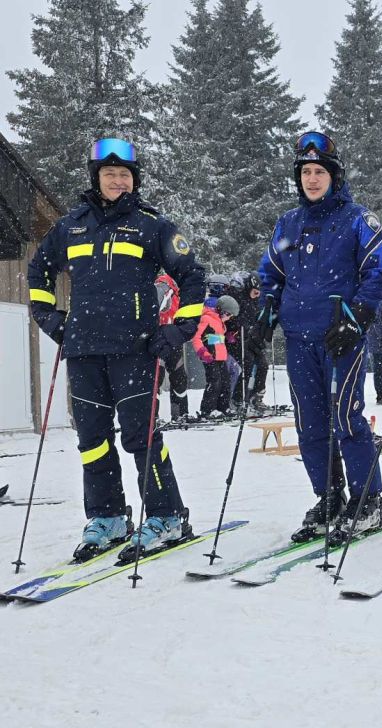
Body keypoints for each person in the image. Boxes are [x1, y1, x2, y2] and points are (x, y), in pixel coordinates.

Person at [27, 137, 205, 560]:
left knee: (141, 437)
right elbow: (39, 272)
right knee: (92, 439)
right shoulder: (70, 225)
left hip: (135, 350)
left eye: (125, 175)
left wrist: (179, 328)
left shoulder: (152, 225)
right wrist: (51, 320)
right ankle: (108, 517)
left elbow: (192, 276)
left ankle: (167, 515)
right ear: (96, 178)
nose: (118, 181)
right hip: (84, 352)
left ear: (134, 180)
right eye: (110, 175)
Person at [256, 131, 382, 545]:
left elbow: (377, 273)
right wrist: (267, 306)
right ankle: (329, 496)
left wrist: (357, 317)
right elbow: (272, 272)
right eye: (306, 172)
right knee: (310, 424)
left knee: (347, 419)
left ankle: (367, 500)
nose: (312, 180)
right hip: (299, 338)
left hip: (341, 337)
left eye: (320, 172)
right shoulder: (288, 223)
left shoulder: (357, 220)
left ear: (334, 176)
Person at [227, 270, 269, 409]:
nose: (257, 296)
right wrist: (242, 326)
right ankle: (238, 398)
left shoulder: (256, 301)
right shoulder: (238, 296)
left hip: (251, 338)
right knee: (248, 363)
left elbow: (258, 318)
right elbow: (232, 317)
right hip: (236, 338)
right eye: (255, 292)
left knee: (263, 364)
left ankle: (257, 396)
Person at [193, 295, 238, 418]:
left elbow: (215, 338)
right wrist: (203, 352)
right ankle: (207, 410)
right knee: (214, 382)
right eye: (229, 315)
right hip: (209, 356)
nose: (229, 318)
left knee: (225, 382)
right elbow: (197, 337)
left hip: (220, 357)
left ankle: (223, 407)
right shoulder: (207, 318)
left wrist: (226, 337)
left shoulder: (219, 321)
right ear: (222, 311)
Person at [155, 273, 190, 420]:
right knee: (157, 377)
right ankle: (151, 417)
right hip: (161, 337)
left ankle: (180, 414)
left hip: (173, 338)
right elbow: (159, 305)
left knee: (179, 376)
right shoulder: (165, 284)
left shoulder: (177, 293)